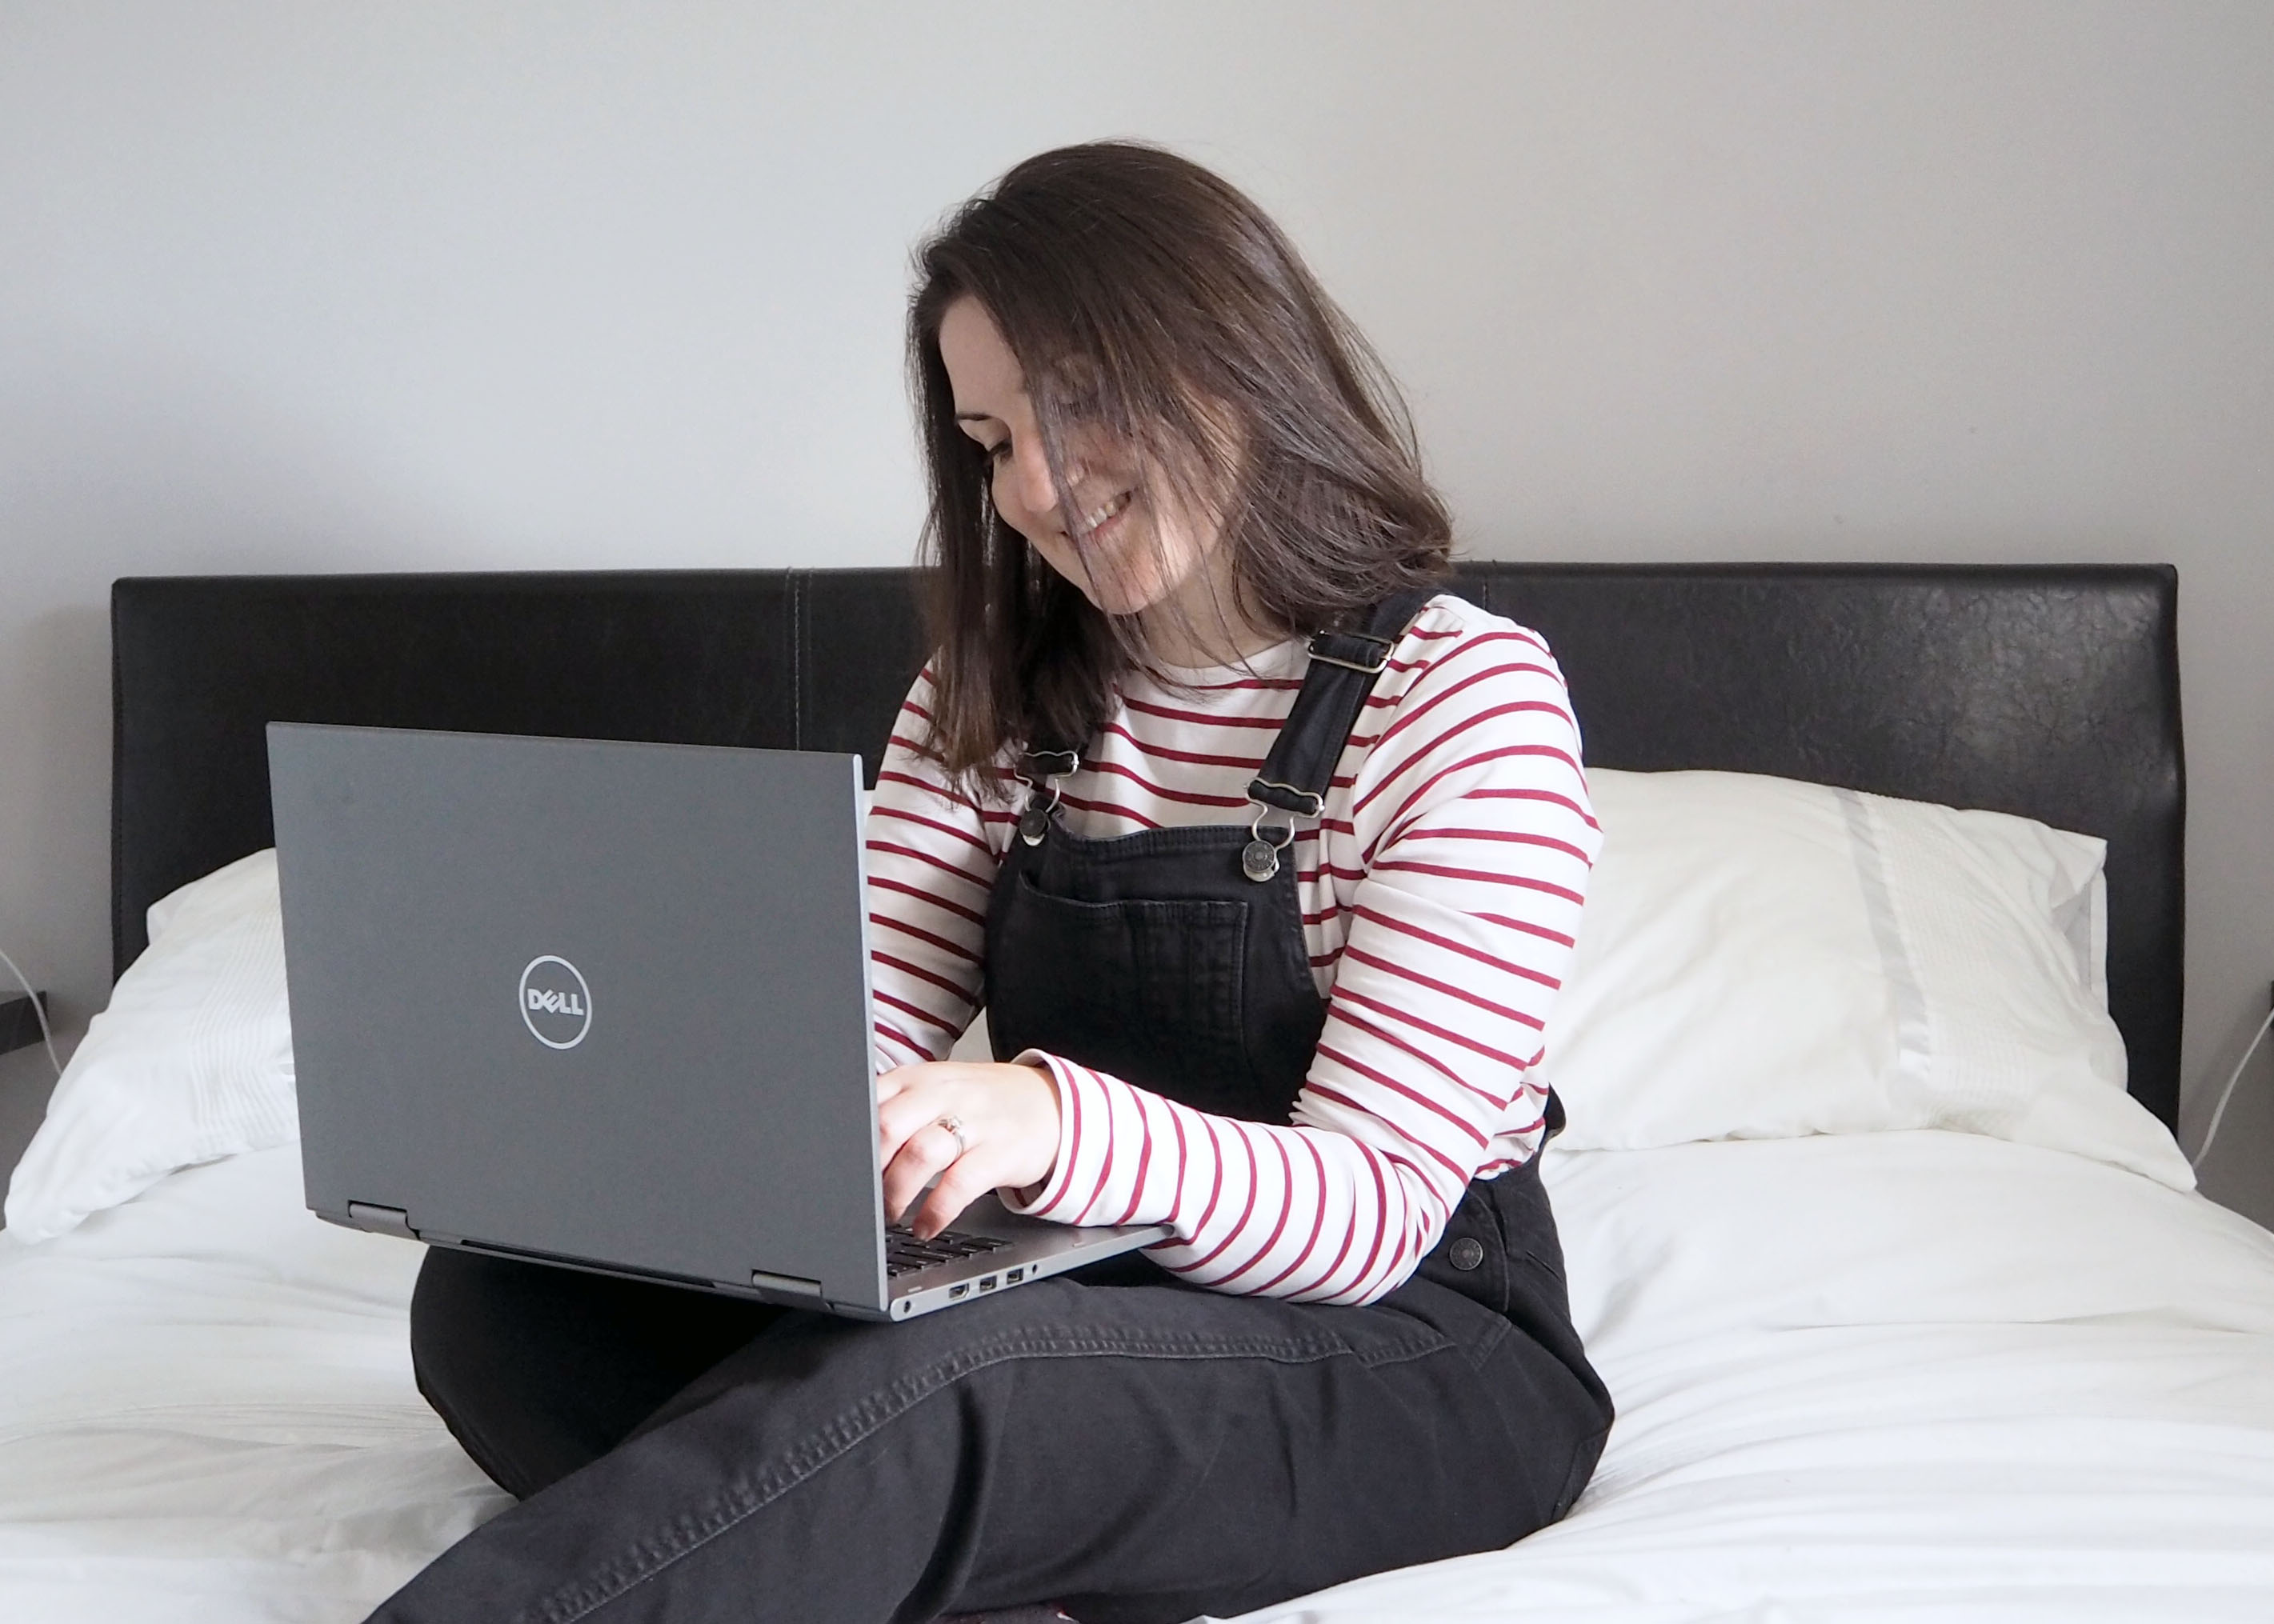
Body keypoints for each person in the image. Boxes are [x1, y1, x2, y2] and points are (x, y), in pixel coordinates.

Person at [370, 141, 1611, 1624]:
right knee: (500, 1308)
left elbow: (1372, 1205)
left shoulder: (1461, 695)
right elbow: (864, 1025)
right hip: (1076, 1285)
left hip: (1413, 1334)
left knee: (954, 1379)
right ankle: (916, 1532)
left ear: (1233, 358)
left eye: (1077, 402)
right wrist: (686, 1134)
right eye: (988, 439)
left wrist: (1040, 1113)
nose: (1032, 486)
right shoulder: (995, 693)